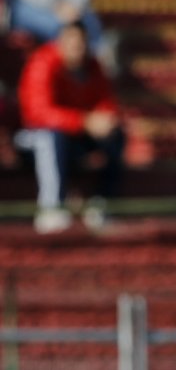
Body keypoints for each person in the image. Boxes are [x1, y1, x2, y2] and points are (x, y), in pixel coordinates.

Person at [16, 20, 125, 234]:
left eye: (81, 43)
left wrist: (106, 119)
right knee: (50, 137)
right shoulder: (42, 63)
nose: (77, 48)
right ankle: (51, 207)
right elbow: (39, 114)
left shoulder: (93, 66)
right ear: (60, 42)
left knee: (116, 135)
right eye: (72, 42)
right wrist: (84, 121)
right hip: (34, 139)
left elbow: (106, 101)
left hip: (76, 137)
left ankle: (101, 205)